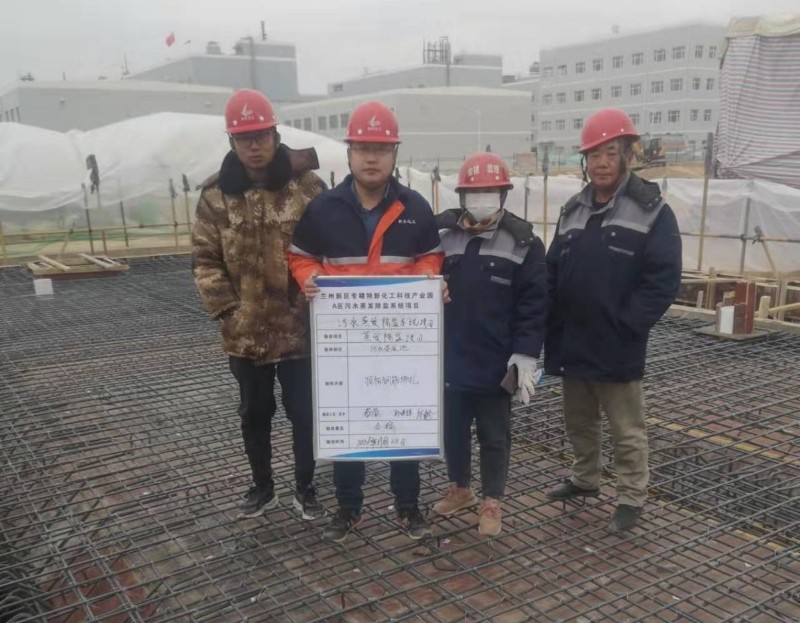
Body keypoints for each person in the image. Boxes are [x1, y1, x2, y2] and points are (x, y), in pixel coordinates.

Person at [288, 101, 444, 543]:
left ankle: (407, 506)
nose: (371, 158)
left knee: (402, 426)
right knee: (348, 426)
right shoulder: (324, 208)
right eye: (362, 149)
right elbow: (300, 257)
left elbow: (431, 256)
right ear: (349, 153)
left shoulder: (415, 206)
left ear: (394, 154)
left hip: (400, 343)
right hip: (345, 344)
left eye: (381, 149)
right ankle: (348, 508)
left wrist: (426, 280)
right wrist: (308, 278)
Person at [544, 108, 682, 533]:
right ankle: (585, 478)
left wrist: (628, 324)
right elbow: (551, 270)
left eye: (610, 153)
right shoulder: (573, 210)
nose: (601, 163)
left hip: (617, 341)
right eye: (593, 155)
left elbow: (663, 280)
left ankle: (630, 496)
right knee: (579, 421)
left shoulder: (652, 211)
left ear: (627, 156)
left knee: (626, 428)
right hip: (573, 340)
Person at [191, 88, 327, 521]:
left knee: (304, 413)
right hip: (246, 334)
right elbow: (205, 261)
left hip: (300, 329)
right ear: (232, 142)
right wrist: (230, 312)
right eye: (244, 138)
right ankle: (262, 486)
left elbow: (330, 248)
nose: (254, 146)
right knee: (254, 413)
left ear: (275, 135)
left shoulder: (308, 187)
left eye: (261, 136)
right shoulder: (215, 196)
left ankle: (305, 486)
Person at [432, 152, 548, 537]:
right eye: (474, 192)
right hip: (450, 357)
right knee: (452, 430)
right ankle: (460, 489)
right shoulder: (441, 236)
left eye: (490, 191)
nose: (482, 199)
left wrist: (525, 354)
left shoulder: (524, 242)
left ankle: (492, 501)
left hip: (496, 359)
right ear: (462, 196)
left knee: (494, 436)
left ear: (503, 195)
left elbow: (534, 303)